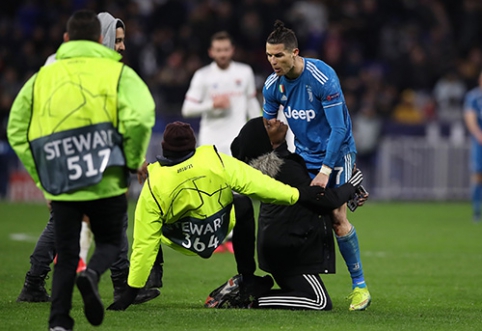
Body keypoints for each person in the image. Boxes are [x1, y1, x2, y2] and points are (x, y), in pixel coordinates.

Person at [7, 10, 155, 330]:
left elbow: (18, 127)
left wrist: (44, 175)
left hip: (63, 168)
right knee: (112, 234)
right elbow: (141, 116)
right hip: (103, 167)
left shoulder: (47, 71)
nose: (122, 47)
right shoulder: (115, 74)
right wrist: (131, 160)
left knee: (66, 244)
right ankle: (107, 281)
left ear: (66, 38)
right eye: (116, 40)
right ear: (98, 39)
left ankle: (58, 318)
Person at [106, 121, 330, 311]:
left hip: (182, 239)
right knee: (242, 204)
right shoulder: (214, 159)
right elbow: (258, 183)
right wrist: (296, 194)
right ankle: (246, 275)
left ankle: (152, 277)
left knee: (149, 228)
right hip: (218, 229)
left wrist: (129, 294)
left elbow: (144, 243)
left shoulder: (155, 182)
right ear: (193, 144)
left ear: (164, 148)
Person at [262, 20, 371, 311]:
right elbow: (269, 129)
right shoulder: (273, 87)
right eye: (269, 56)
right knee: (297, 211)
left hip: (337, 152)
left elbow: (338, 130)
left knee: (336, 217)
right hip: (304, 153)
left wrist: (325, 172)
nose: (273, 62)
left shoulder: (322, 77)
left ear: (294, 53)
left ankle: (359, 287)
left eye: (279, 56)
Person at [206, 117, 366, 310]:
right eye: (268, 125)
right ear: (268, 143)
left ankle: (246, 293)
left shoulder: (282, 164)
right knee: (319, 302)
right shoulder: (285, 168)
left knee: (312, 297)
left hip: (282, 244)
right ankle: (248, 300)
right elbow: (324, 201)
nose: (275, 121)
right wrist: (352, 183)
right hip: (289, 249)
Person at [181, 31, 261, 253]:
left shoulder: (244, 72)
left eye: (226, 49)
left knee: (239, 191)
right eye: (218, 50)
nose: (223, 54)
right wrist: (211, 105)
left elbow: (251, 102)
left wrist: (260, 128)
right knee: (212, 191)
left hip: (237, 140)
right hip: (211, 142)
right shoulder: (203, 76)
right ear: (211, 52)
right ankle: (217, 237)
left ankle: (235, 238)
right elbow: (187, 109)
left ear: (232, 50)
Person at [463, 70, 482, 222]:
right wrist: (478, 134)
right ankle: (476, 212)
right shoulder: (473, 97)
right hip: (480, 142)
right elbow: (470, 118)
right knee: (478, 176)